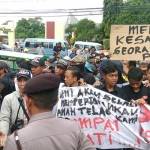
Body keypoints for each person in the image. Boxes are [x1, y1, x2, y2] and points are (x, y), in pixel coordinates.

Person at [4, 73, 95, 150]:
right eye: (20, 81)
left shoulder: (15, 141)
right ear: (57, 100)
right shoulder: (74, 129)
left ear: (27, 102)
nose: (22, 83)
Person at [0, 69, 31, 147]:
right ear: (16, 81)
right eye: (20, 81)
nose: (22, 83)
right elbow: (4, 119)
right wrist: (3, 135)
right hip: (14, 137)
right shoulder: (8, 98)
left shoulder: (35, 98)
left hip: (31, 137)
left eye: (25, 80)